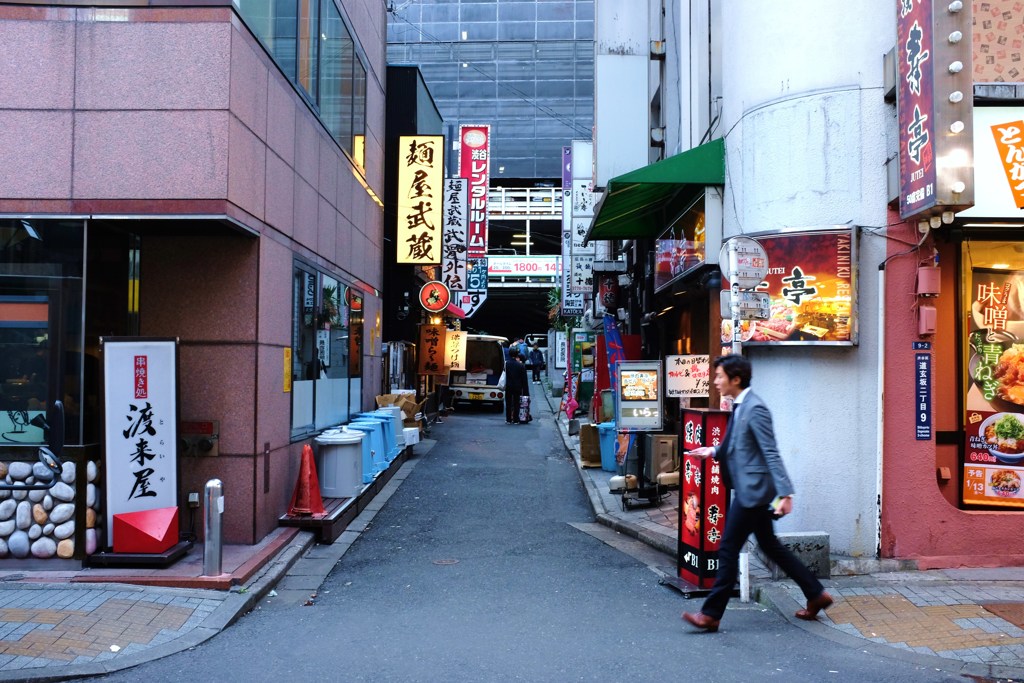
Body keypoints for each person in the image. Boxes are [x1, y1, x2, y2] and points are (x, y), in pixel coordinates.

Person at [681, 354, 832, 632]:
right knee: (769, 545)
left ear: (735, 379)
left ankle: (711, 614)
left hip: (754, 493)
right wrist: (712, 451)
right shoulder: (740, 405)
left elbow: (770, 452)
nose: (715, 381)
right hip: (755, 491)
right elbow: (735, 445)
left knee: (727, 550)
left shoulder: (755, 408)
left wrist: (786, 493)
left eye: (719, 376)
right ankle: (816, 594)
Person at [503, 350, 529, 424]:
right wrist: (526, 392)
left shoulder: (506, 364)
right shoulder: (520, 366)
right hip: (518, 386)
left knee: (508, 403)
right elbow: (524, 380)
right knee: (516, 403)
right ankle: (515, 419)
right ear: (517, 355)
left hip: (508, 385)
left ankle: (508, 419)